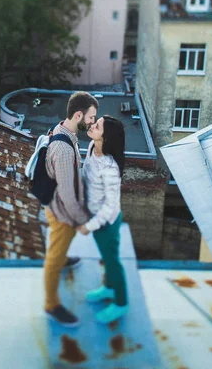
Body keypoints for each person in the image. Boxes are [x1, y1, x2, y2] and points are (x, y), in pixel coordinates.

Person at [44, 91, 98, 327]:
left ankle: (64, 258)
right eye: (91, 117)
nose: (93, 123)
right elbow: (67, 194)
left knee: (59, 252)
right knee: (53, 260)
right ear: (78, 115)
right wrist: (80, 221)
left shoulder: (62, 130)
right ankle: (51, 304)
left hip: (53, 203)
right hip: (62, 213)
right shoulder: (64, 148)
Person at [78, 115, 128, 324]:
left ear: (105, 138)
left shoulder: (110, 168)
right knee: (106, 259)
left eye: (97, 126)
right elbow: (85, 173)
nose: (92, 125)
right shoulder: (91, 146)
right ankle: (108, 289)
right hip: (94, 216)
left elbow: (110, 207)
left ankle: (121, 303)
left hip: (105, 223)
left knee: (112, 262)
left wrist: (90, 226)